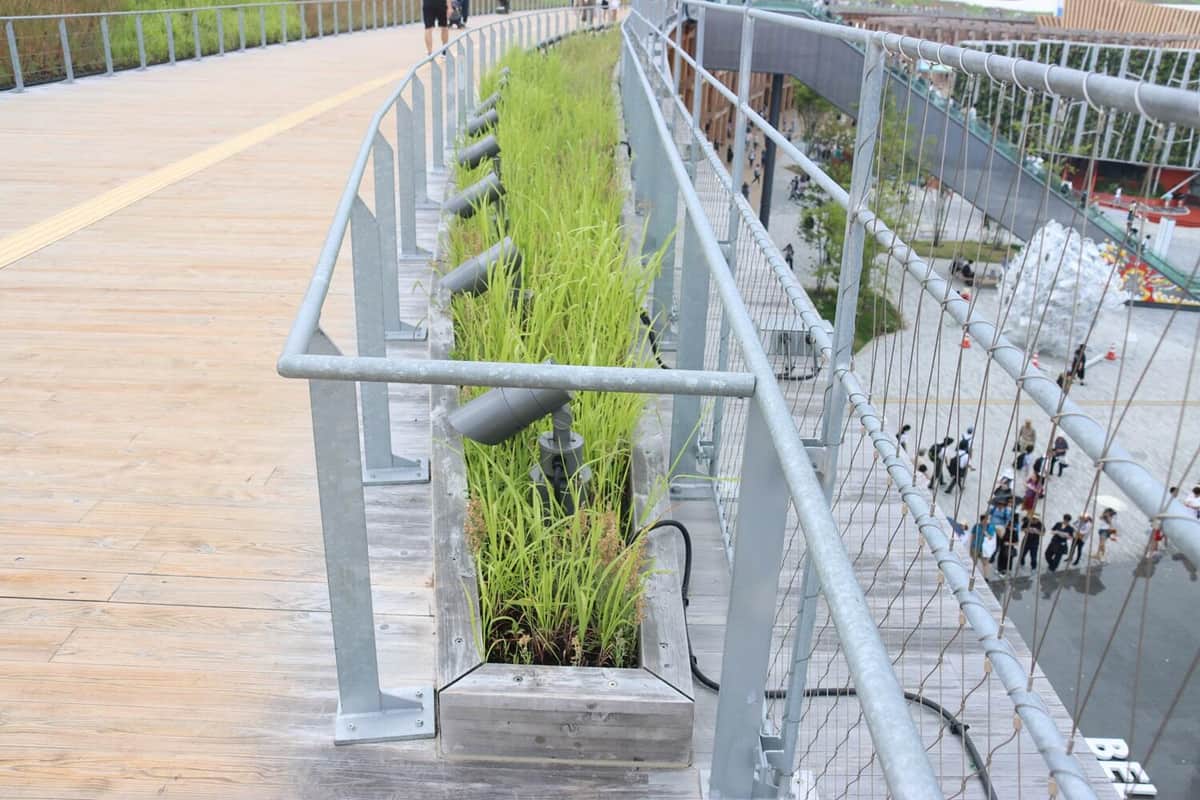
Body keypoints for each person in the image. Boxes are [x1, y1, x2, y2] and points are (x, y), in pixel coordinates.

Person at [970, 513, 995, 578]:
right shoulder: (976, 526)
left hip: (984, 549)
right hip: (975, 546)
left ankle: (986, 577)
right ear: (982, 520)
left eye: (987, 520)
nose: (987, 521)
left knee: (985, 563)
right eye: (985, 520)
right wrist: (971, 546)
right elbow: (973, 535)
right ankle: (973, 574)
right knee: (974, 562)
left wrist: (985, 532)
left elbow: (990, 538)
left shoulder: (990, 527)